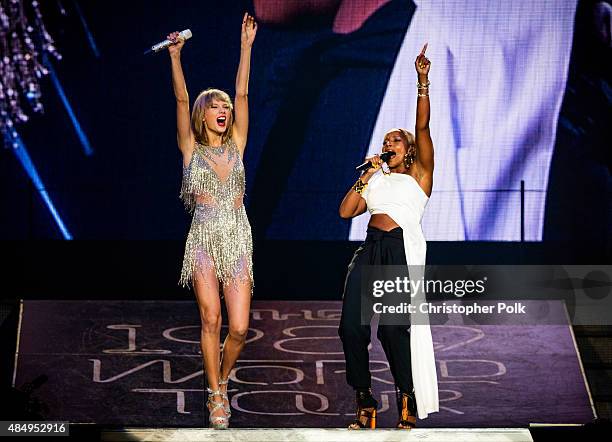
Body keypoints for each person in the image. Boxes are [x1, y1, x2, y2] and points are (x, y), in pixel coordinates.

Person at [338, 44, 438, 429]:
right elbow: (346, 211)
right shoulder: (375, 179)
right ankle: (364, 395)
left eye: (396, 140)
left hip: (398, 252)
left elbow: (423, 128)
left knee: (395, 331)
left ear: (410, 151)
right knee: (351, 328)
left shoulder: (420, 175)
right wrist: (365, 176)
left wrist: (422, 82)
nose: (389, 144)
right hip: (370, 250)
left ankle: (406, 395)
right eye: (386, 141)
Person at [167, 13, 257, 429]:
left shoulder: (238, 144)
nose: (223, 109)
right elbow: (182, 100)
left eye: (224, 106)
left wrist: (245, 47)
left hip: (237, 237)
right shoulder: (190, 148)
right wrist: (176, 56)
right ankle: (216, 395)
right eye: (215, 106)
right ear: (204, 115)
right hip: (203, 237)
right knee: (211, 319)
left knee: (238, 327)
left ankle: (220, 380)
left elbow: (242, 91)